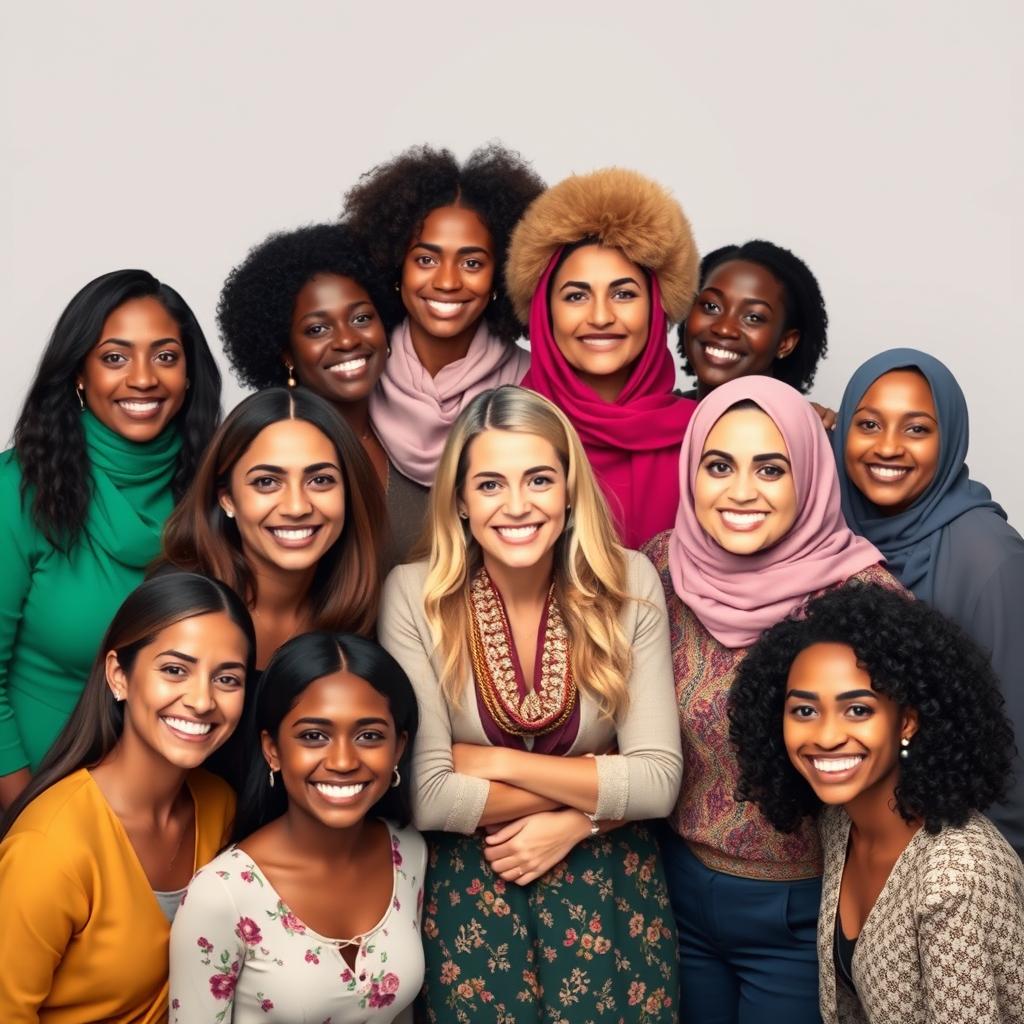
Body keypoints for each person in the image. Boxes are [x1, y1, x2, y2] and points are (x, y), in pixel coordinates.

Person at [379, 385, 683, 1022]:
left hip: (612, 896)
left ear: (569, 489)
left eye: (539, 479)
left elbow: (659, 782)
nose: (517, 506)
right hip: (473, 899)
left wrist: (503, 768)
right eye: (489, 484)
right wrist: (600, 789)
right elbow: (428, 797)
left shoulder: (629, 581)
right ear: (459, 501)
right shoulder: (413, 595)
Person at [641, 375, 896, 1023]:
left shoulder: (866, 606)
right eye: (719, 465)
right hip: (675, 892)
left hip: (798, 911)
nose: (742, 492)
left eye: (771, 469)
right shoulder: (660, 571)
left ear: (809, 477)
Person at [729, 582, 1024, 1024]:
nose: (826, 737)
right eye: (804, 711)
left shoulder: (956, 878)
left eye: (858, 710)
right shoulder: (840, 822)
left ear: (906, 721)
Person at [0, 269, 221, 808]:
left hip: (177, 803)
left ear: (190, 373)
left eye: (165, 356)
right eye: (115, 357)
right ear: (79, 373)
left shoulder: (221, 489)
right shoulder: (17, 489)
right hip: (37, 794)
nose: (143, 378)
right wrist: (29, 815)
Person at [0, 572, 253, 1023]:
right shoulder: (48, 848)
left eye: (227, 679)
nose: (201, 700)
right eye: (175, 669)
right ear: (119, 676)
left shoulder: (220, 807)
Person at [170, 632, 424, 1023]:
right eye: (314, 736)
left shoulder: (408, 851)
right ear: (272, 749)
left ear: (399, 748)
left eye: (369, 736)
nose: (342, 761)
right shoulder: (221, 894)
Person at [833, 348, 1024, 856]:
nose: (888, 447)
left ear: (950, 440)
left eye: (916, 429)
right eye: (869, 424)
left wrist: (990, 883)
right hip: (855, 846)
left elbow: (1014, 752)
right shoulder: (828, 533)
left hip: (952, 858)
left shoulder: (989, 557)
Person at [505, 167, 699, 547]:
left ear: (656, 308)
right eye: (576, 296)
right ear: (546, 312)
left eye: (624, 294)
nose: (600, 316)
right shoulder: (501, 431)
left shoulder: (704, 436)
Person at [217, 222, 426, 566]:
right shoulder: (258, 451)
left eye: (361, 318)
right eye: (317, 329)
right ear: (286, 352)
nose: (346, 340)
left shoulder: (426, 438)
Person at [342, 143, 543, 487]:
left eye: (472, 263)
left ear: (501, 272)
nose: (447, 281)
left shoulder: (535, 384)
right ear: (396, 266)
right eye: (426, 260)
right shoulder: (356, 376)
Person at [162, 387, 385, 673]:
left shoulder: (368, 612)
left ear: (348, 493)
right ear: (227, 498)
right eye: (267, 482)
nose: (296, 507)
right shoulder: (177, 610)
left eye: (320, 480)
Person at [676, 240, 829, 401]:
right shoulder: (658, 416)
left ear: (785, 342)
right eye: (711, 306)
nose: (724, 328)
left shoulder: (795, 424)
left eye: (753, 317)